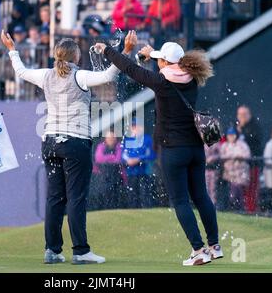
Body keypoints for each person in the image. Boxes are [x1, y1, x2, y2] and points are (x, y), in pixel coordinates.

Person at [1, 30, 133, 265]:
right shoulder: (80, 76)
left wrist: (12, 49)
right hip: (75, 143)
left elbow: (20, 71)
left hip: (50, 142)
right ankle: (80, 251)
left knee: (54, 198)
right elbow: (110, 74)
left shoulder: (45, 75)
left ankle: (52, 250)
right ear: (75, 57)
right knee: (76, 198)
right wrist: (126, 51)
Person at [94, 32, 222, 266]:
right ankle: (214, 246)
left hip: (174, 150)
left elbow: (130, 69)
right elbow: (165, 65)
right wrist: (152, 55)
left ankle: (198, 250)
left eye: (160, 60)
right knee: (201, 196)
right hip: (195, 148)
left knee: (181, 201)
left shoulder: (162, 82)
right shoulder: (192, 77)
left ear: (164, 62)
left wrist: (108, 51)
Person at [121, 120, 156, 208]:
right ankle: (132, 210)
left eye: (136, 126)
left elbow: (151, 155)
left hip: (145, 172)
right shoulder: (127, 139)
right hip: (131, 172)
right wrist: (128, 160)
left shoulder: (147, 139)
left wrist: (139, 159)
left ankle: (148, 210)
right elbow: (122, 154)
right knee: (132, 194)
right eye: (133, 127)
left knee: (145, 193)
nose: (135, 128)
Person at [236, 105, 262, 213]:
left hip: (252, 163)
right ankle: (242, 207)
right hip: (238, 165)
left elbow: (255, 140)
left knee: (252, 186)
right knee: (239, 187)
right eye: (240, 114)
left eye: (244, 114)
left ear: (249, 115)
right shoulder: (235, 126)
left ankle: (251, 208)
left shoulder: (254, 126)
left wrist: (242, 130)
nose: (242, 117)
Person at [219, 127, 251, 211]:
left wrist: (239, 157)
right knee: (232, 191)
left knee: (237, 190)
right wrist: (231, 157)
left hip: (240, 172)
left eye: (232, 135)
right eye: (229, 135)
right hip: (229, 173)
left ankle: (238, 208)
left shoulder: (242, 144)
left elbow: (247, 155)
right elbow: (221, 156)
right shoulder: (225, 145)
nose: (231, 137)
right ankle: (234, 208)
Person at [93, 130, 125, 209]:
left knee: (116, 195)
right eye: (109, 137)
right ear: (105, 139)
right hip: (103, 176)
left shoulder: (119, 146)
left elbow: (118, 159)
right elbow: (98, 158)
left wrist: (106, 158)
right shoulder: (101, 146)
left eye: (113, 137)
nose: (111, 139)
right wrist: (111, 157)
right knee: (104, 193)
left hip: (117, 176)